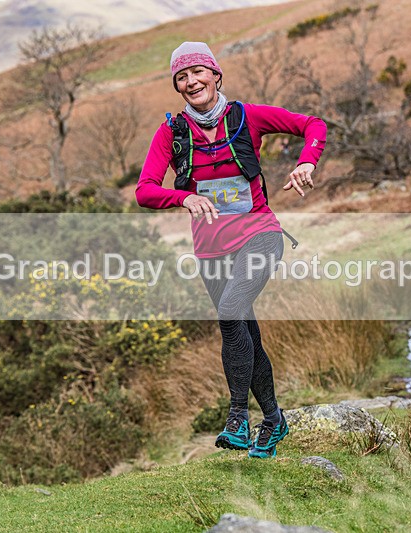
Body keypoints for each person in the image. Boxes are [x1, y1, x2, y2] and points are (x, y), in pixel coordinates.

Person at [135, 42, 326, 458]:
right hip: (211, 252)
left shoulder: (247, 116)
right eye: (182, 77)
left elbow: (313, 124)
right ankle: (273, 420)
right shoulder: (172, 132)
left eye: (199, 72)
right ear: (177, 86)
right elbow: (145, 191)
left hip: (260, 235)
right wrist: (182, 198)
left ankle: (238, 417)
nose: (192, 82)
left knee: (229, 311)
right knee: (244, 331)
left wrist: (306, 162)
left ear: (216, 75)